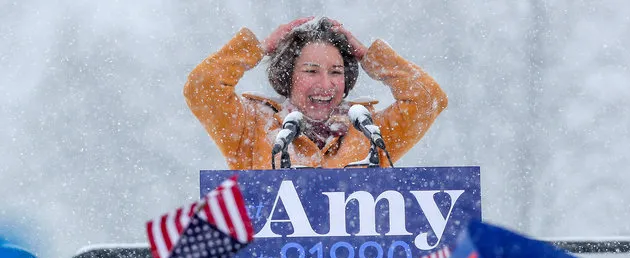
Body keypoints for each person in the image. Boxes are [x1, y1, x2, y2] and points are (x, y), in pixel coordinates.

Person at [184, 17, 447, 169]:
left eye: (336, 71)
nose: (326, 83)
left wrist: (369, 56)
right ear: (287, 75)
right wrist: (262, 47)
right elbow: (202, 87)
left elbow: (428, 100)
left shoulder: (369, 128)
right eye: (311, 71)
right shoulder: (251, 128)